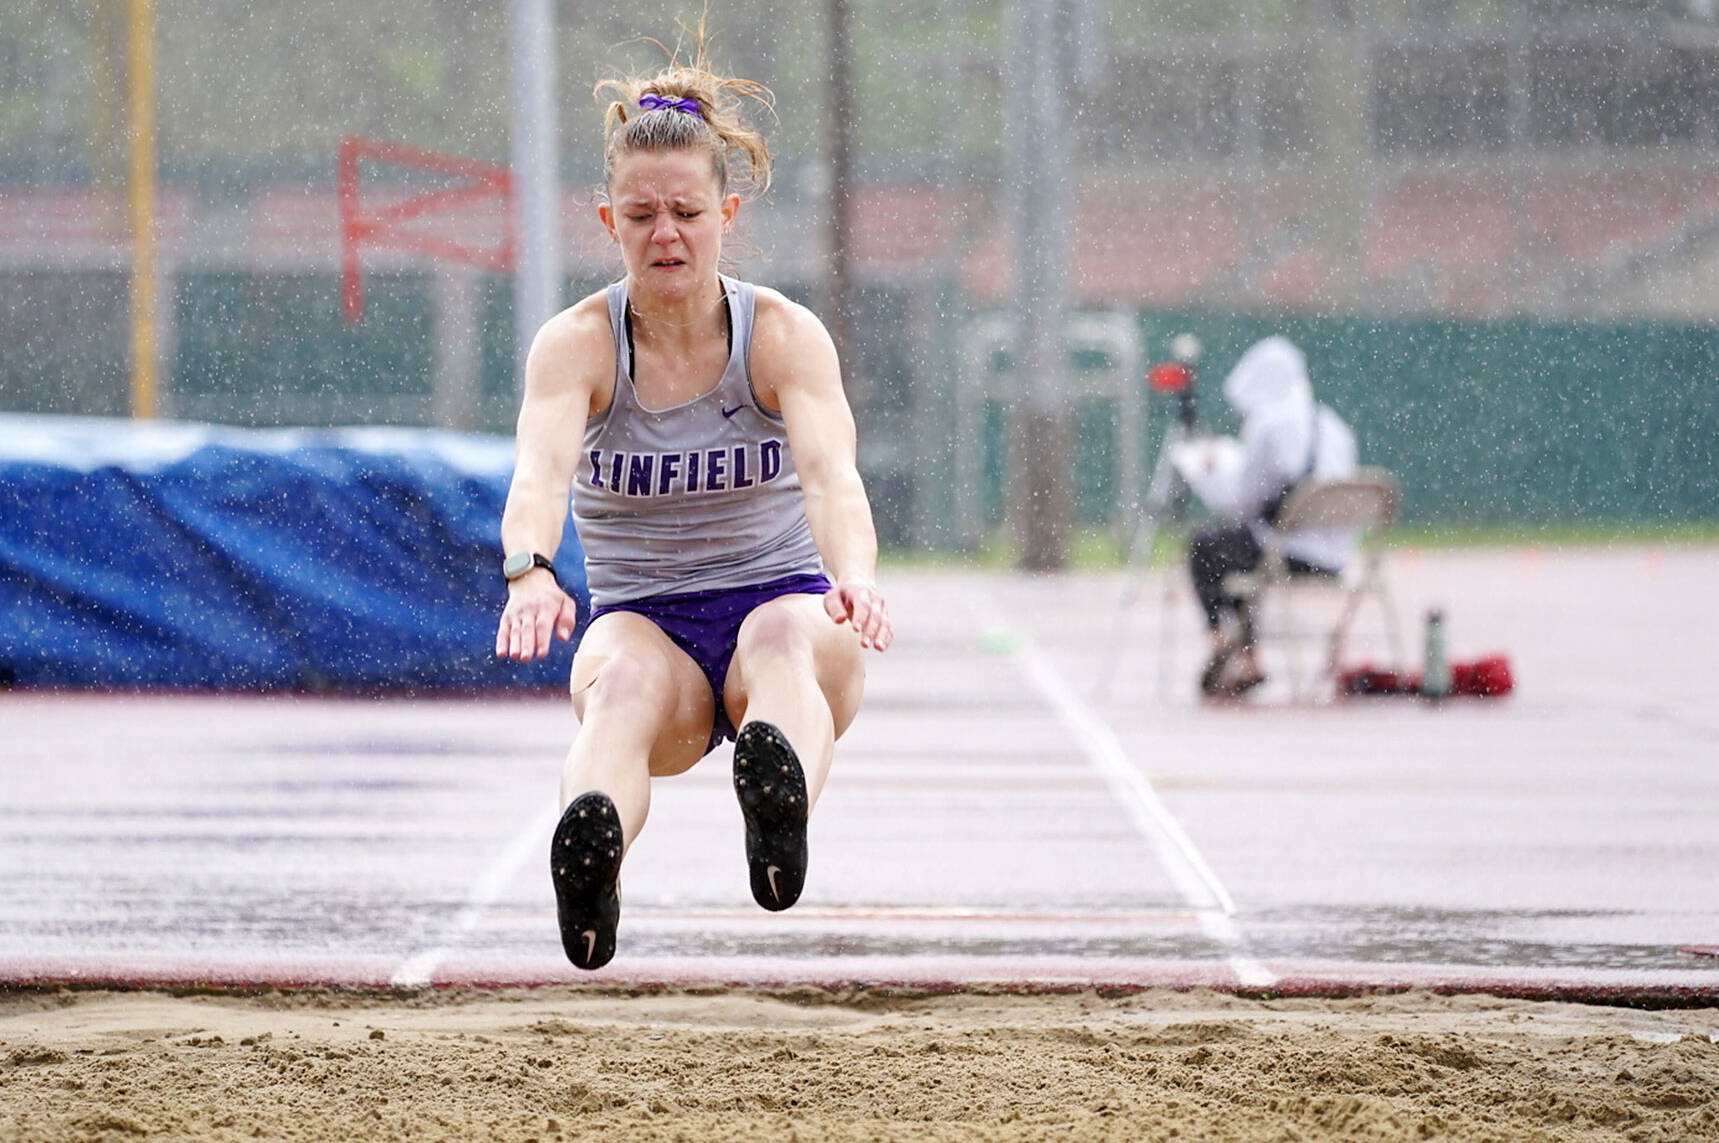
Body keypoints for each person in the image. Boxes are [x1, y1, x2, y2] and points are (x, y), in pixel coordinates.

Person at [493, 47, 892, 971]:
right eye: (640, 216)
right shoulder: (577, 346)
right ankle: (590, 864)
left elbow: (834, 478)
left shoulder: (783, 336)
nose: (664, 234)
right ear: (608, 222)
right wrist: (530, 570)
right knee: (619, 693)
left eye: (685, 213)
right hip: (647, 622)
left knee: (787, 642)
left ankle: (776, 808)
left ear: (727, 216)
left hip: (780, 600)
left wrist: (856, 576)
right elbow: (538, 475)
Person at [1176, 336, 1357, 696]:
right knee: (1245, 552)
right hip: (1336, 559)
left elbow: (1242, 502)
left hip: (1286, 555)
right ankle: (1243, 655)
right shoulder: (1333, 426)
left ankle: (1229, 646)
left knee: (1209, 547)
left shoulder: (1268, 426)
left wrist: (1206, 472)